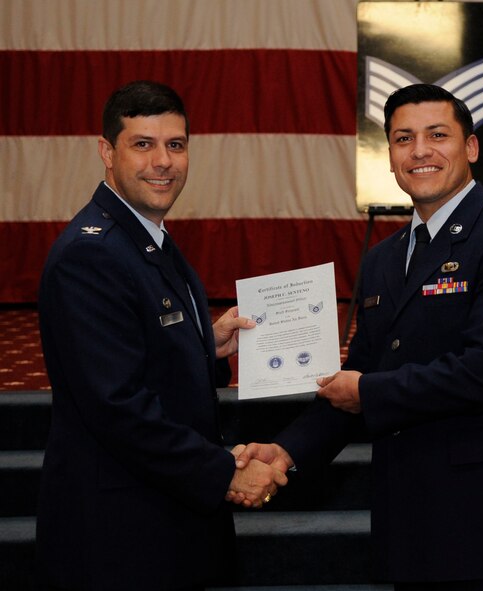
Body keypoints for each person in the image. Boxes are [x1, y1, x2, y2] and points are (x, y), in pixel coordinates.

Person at [232, 84, 483, 589]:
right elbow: (362, 371)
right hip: (409, 520)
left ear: (470, 148)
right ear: (388, 156)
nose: (420, 150)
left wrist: (364, 391)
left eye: (437, 135)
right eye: (404, 138)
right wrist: (288, 450)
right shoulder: (383, 259)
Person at [37, 80, 287, 590]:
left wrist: (203, 343)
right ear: (107, 151)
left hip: (163, 516)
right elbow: (117, 405)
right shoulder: (94, 253)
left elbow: (142, 348)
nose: (163, 162)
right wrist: (224, 472)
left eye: (175, 145)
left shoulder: (146, 236)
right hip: (122, 535)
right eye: (143, 144)